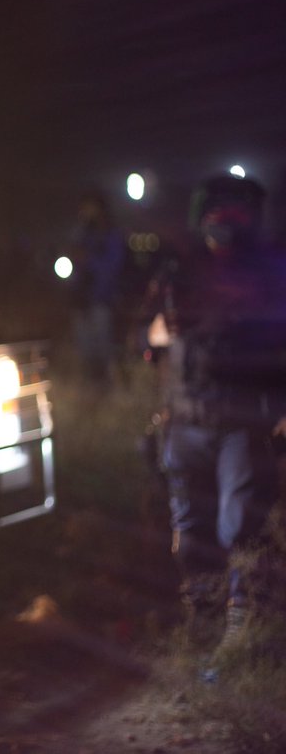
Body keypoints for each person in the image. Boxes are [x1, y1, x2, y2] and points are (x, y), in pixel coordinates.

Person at [139, 173, 286, 656]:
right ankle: (202, 619)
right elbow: (145, 338)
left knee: (239, 524)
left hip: (245, 422)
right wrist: (158, 332)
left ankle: (240, 629)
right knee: (192, 528)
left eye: (236, 211)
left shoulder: (270, 270)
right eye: (218, 212)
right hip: (185, 420)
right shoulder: (178, 270)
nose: (226, 222)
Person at [66, 191, 125, 387]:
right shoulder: (80, 232)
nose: (85, 211)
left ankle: (111, 389)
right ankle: (90, 389)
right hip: (81, 301)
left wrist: (89, 260)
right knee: (85, 350)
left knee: (105, 350)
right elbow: (71, 258)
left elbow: (113, 266)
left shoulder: (109, 233)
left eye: (89, 206)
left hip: (102, 299)